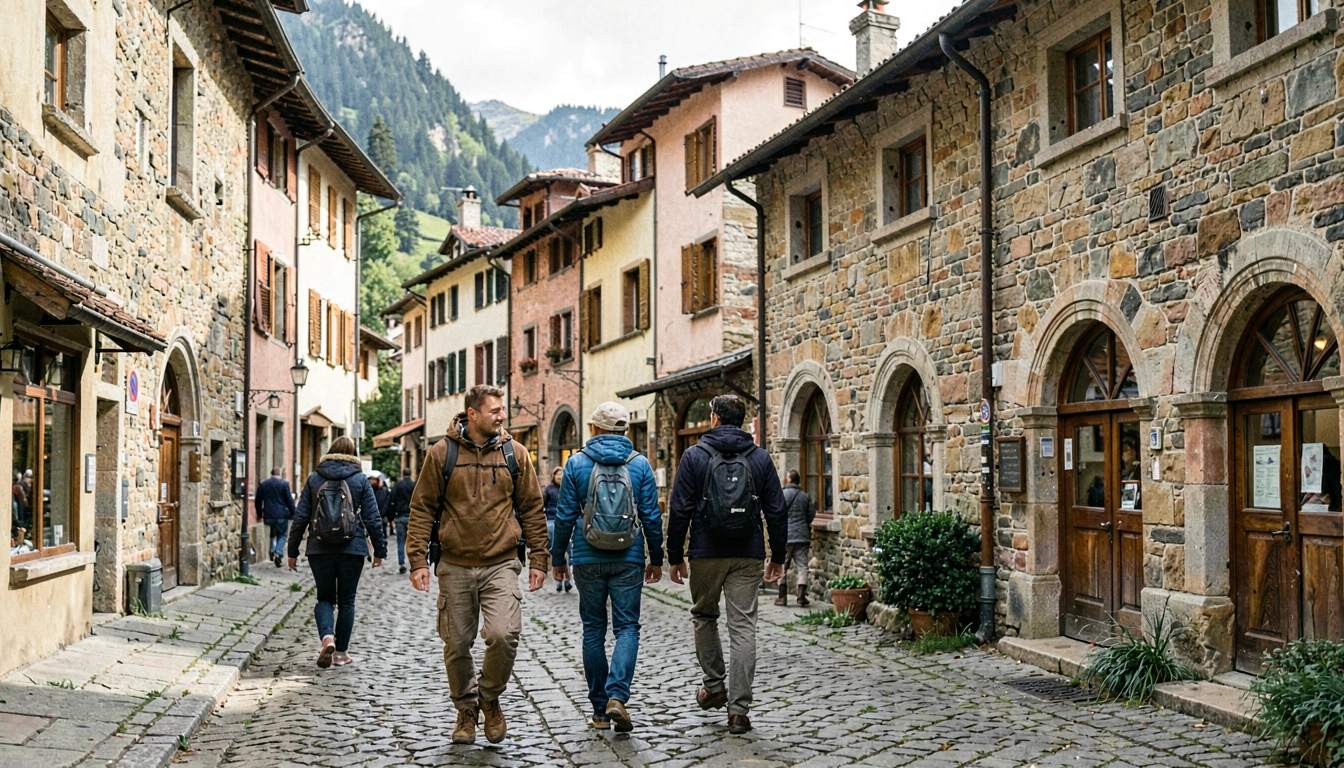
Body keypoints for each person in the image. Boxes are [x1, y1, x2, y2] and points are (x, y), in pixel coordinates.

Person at [405, 385, 549, 746]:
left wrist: (540, 559)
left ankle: (489, 697)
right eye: (495, 410)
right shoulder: (441, 454)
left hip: (501, 561)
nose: (502, 416)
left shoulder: (516, 454)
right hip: (454, 564)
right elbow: (422, 508)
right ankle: (466, 711)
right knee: (456, 643)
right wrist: (418, 560)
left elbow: (532, 508)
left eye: (502, 410)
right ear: (472, 414)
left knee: (504, 634)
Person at [666, 394, 788, 735]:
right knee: (744, 628)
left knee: (704, 616)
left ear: (715, 418)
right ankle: (738, 712)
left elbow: (679, 510)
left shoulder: (694, 456)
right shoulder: (760, 457)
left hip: (705, 551)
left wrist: (674, 556)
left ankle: (714, 686)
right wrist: (778, 555)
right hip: (748, 552)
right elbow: (777, 510)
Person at [551, 403, 664, 732]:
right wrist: (656, 557)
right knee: (627, 628)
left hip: (587, 557)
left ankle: (600, 711)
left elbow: (565, 516)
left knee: (593, 631)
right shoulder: (640, 464)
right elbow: (652, 517)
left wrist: (558, 558)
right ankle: (618, 696)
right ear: (624, 431)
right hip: (629, 557)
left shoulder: (576, 463)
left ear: (595, 429)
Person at [287, 436, 387, 669]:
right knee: (347, 600)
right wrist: (380, 550)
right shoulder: (360, 480)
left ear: (329, 451)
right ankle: (341, 653)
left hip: (319, 548)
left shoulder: (314, 479)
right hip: (353, 548)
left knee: (324, 597)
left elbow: (301, 517)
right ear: (353, 454)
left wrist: (292, 551)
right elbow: (372, 518)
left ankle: (327, 637)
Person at [776, 470, 814, 607]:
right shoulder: (805, 496)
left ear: (789, 480)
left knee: (782, 567)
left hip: (785, 536)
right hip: (802, 536)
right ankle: (801, 595)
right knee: (803, 566)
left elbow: (776, 513)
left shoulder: (782, 495)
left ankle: (782, 598)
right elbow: (811, 514)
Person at [256, 467, 296, 567]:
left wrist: (259, 514)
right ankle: (278, 552)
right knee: (282, 534)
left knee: (273, 533)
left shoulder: (264, 484)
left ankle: (272, 550)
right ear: (279, 474)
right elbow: (289, 501)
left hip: (269, 514)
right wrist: (294, 514)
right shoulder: (284, 484)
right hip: (282, 514)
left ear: (271, 473)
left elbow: (258, 500)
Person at [543, 467, 573, 592]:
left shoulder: (568, 488)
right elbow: (543, 505)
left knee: (569, 550)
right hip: (552, 521)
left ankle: (568, 579)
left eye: (562, 474)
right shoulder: (548, 490)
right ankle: (558, 581)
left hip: (566, 521)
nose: (560, 477)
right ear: (554, 476)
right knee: (557, 550)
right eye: (558, 474)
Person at [389, 467, 416, 574]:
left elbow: (392, 501)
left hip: (400, 516)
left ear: (402, 474)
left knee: (400, 542)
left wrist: (391, 518)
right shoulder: (414, 485)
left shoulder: (398, 485)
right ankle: (413, 563)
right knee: (412, 542)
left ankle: (402, 563)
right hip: (412, 517)